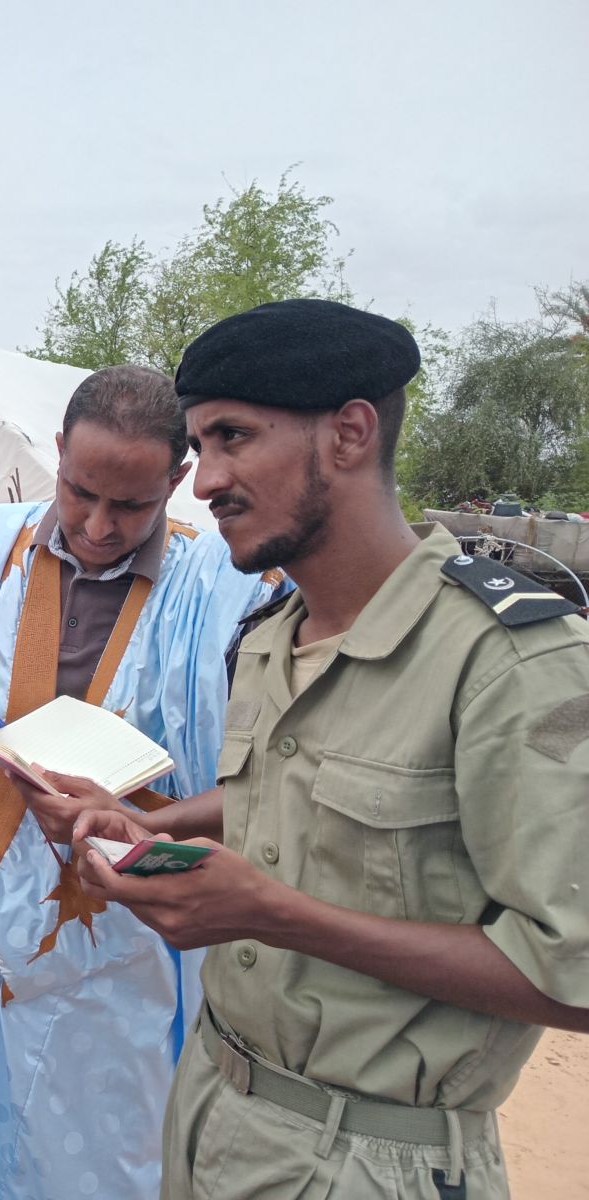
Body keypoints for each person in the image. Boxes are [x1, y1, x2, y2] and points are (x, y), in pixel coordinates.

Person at [73, 299, 589, 1198]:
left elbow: (574, 974)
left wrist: (274, 915)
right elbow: (288, 797)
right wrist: (148, 827)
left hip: (370, 1157)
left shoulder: (512, 662)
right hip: (209, 1110)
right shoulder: (275, 637)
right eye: (199, 446)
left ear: (349, 434)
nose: (205, 481)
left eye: (234, 438)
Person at [0, 365, 278, 1200]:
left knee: (89, 1152)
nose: (99, 526)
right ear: (59, 452)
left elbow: (267, 782)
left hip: (118, 933)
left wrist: (156, 822)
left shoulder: (222, 588)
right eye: (79, 493)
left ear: (177, 478)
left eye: (131, 505)